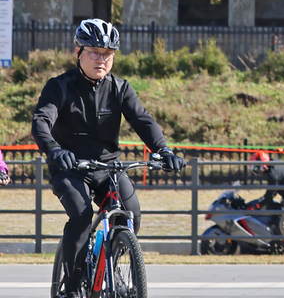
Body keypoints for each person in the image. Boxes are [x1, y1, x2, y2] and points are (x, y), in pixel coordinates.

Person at [31, 19, 186, 298]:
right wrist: (54, 149)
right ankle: (73, 283)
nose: (101, 59)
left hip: (108, 169)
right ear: (78, 51)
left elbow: (142, 120)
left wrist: (163, 150)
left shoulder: (119, 88)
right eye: (94, 52)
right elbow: (42, 121)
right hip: (70, 169)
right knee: (81, 215)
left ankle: (112, 261)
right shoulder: (60, 87)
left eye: (107, 54)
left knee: (131, 215)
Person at [252, 150, 284, 247]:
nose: (254, 168)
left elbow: (271, 193)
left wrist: (260, 204)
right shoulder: (274, 163)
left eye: (255, 166)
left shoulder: (273, 174)